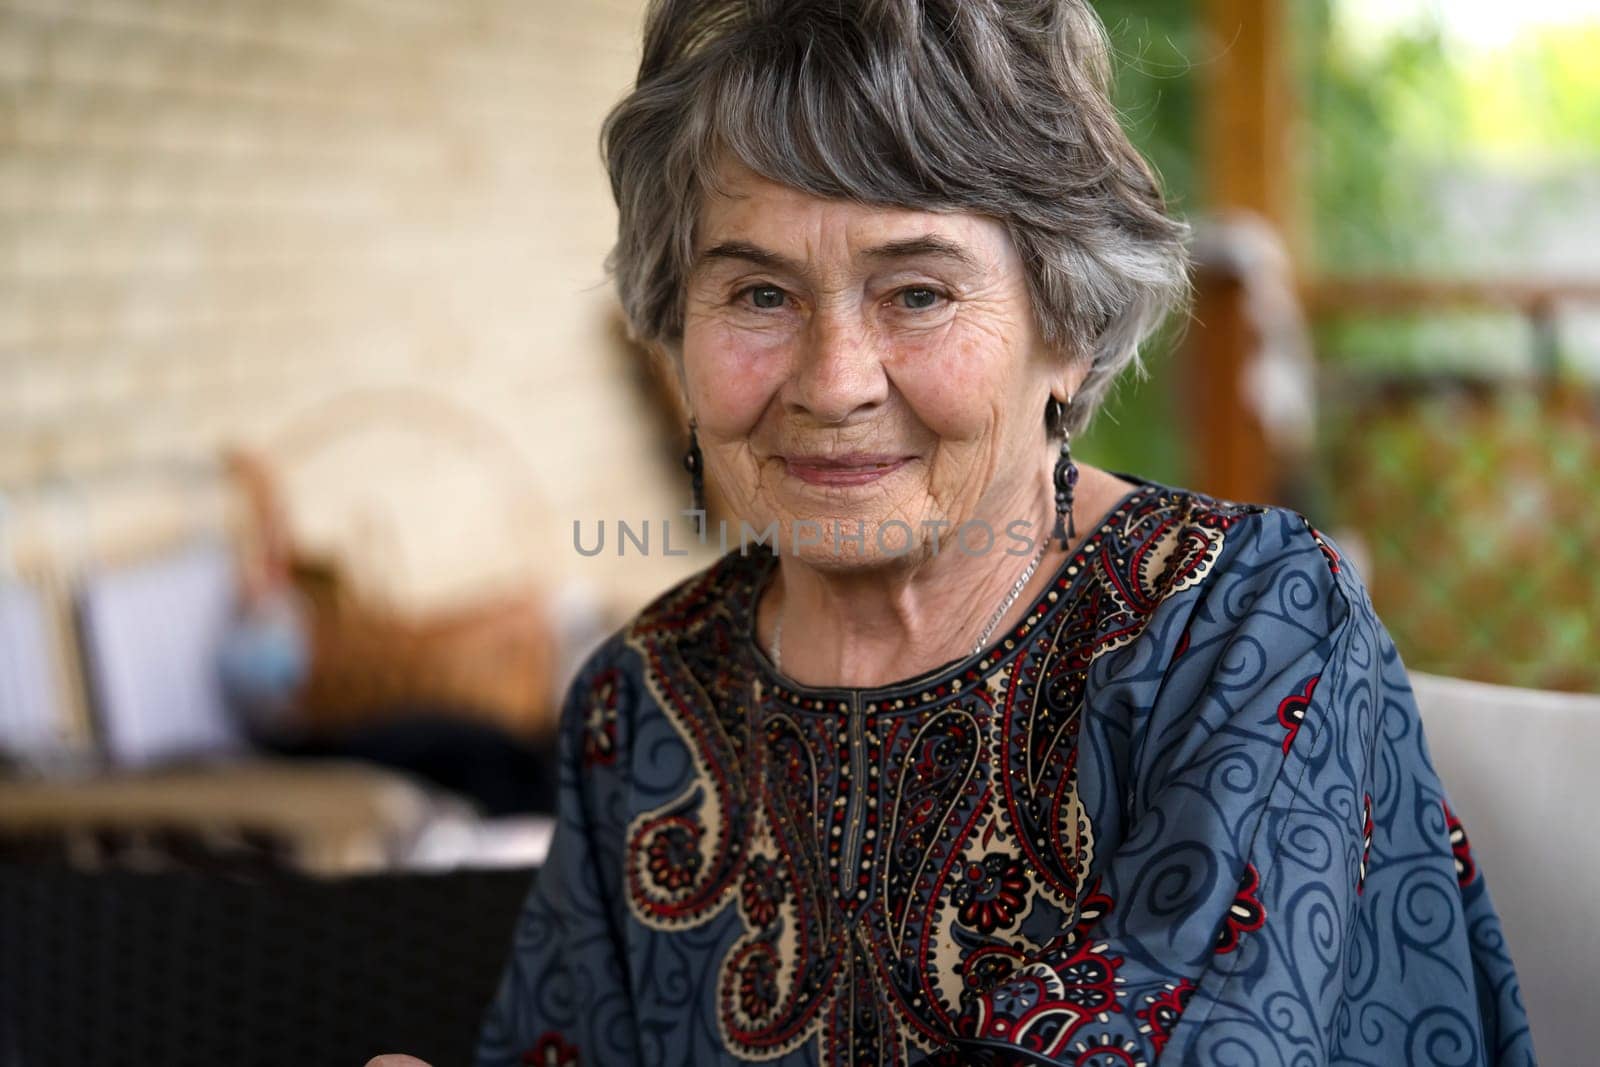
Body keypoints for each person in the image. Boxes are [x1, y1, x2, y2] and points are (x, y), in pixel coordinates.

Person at [377, 1, 1536, 1063]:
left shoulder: (1243, 624)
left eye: (917, 291)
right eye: (759, 294)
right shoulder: (643, 700)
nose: (833, 382)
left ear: (1067, 323)